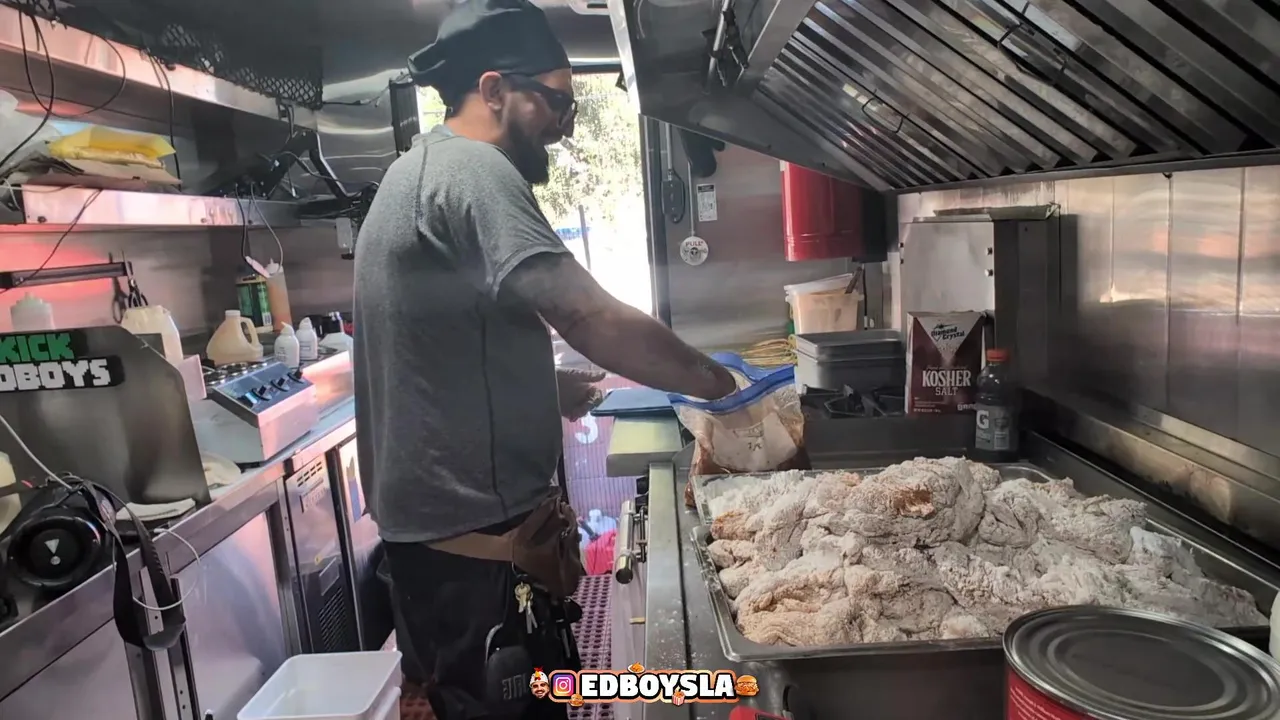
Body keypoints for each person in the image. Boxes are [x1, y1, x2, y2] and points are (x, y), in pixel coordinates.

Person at [351, 0, 737, 717]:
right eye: (556, 102)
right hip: (473, 559)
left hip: (444, 553)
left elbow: (435, 347)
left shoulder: (421, 169)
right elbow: (588, 315)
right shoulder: (474, 171)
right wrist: (722, 385)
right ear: (494, 89)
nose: (564, 126)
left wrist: (540, 384)